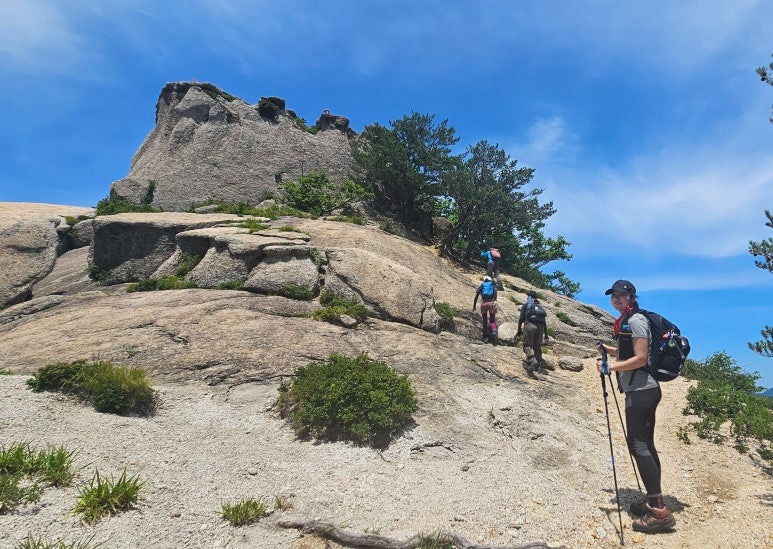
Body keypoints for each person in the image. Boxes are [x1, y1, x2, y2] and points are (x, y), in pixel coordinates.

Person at [596, 279, 676, 534]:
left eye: (621, 295)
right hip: (641, 390)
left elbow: (641, 358)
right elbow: (629, 352)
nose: (616, 299)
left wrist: (611, 366)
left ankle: (659, 512)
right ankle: (655, 498)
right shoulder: (628, 320)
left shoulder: (636, 320)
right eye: (613, 296)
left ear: (631, 296)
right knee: (645, 445)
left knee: (639, 446)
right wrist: (609, 350)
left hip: (643, 390)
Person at [516, 290, 551, 375]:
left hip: (530, 326)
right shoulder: (540, 307)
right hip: (540, 328)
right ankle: (537, 365)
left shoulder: (526, 305)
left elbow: (521, 319)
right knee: (537, 346)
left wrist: (519, 330)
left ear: (529, 297)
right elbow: (544, 322)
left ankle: (532, 360)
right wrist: (546, 335)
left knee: (527, 345)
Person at [472, 276, 498, 343]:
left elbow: (476, 295)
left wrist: (474, 306)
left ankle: (485, 337)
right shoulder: (492, 284)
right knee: (492, 320)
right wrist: (495, 300)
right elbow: (495, 291)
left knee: (485, 321)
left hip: (484, 303)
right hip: (491, 303)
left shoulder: (482, 285)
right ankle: (494, 331)